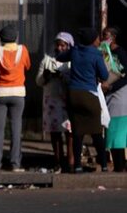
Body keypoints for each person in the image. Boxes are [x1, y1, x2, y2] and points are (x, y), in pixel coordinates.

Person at [58, 27, 109, 173]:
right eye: (98, 38)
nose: (99, 40)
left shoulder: (74, 51)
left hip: (73, 94)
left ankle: (78, 165)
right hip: (88, 94)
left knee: (77, 132)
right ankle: (104, 164)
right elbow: (104, 76)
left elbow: (60, 57)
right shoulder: (96, 54)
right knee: (96, 132)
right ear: (93, 40)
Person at [0, 24, 31, 172]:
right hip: (18, 94)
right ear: (15, 37)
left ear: (1, 39)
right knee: (16, 128)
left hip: (1, 93)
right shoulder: (23, 50)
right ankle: (15, 164)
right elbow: (28, 66)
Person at [35, 32, 73, 173]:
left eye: (63, 45)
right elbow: (38, 81)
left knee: (69, 132)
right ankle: (58, 160)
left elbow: (75, 79)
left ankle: (70, 160)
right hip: (51, 100)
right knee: (55, 133)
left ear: (69, 46)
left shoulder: (71, 61)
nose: (60, 47)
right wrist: (46, 76)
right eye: (58, 44)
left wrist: (63, 77)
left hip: (67, 99)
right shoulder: (47, 60)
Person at [101, 26, 127, 172]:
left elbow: (125, 75)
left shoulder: (120, 53)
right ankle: (119, 164)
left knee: (118, 133)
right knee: (112, 133)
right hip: (109, 95)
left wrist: (111, 86)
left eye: (106, 35)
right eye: (103, 35)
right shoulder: (104, 53)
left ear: (113, 37)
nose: (104, 38)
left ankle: (120, 165)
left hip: (120, 95)